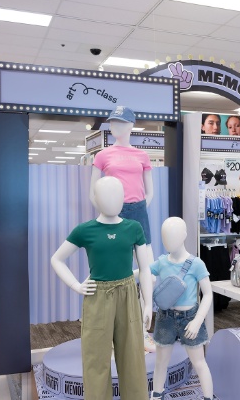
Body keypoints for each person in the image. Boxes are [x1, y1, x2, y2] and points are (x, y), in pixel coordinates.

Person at [51, 176, 153, 400]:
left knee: (133, 359)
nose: (113, 200)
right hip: (97, 297)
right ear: (95, 199)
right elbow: (57, 259)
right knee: (95, 359)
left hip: (128, 296)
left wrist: (148, 304)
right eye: (106, 195)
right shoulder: (85, 230)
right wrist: (76, 285)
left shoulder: (133, 228)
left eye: (117, 195)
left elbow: (145, 269)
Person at [90, 106, 157, 352]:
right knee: (115, 274)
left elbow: (149, 191)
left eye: (120, 122)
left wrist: (138, 207)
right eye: (112, 122)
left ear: (131, 125)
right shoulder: (103, 155)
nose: (115, 127)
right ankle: (111, 336)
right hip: (112, 213)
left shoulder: (142, 155)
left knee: (149, 273)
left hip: (138, 212)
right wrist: (109, 212)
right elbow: (93, 192)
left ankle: (142, 331)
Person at [150, 217, 213, 400]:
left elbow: (208, 294)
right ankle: (156, 395)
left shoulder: (196, 264)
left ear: (184, 235)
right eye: (164, 236)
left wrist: (197, 321)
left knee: (199, 363)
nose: (167, 240)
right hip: (165, 317)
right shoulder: (161, 262)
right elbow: (145, 272)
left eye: (172, 235)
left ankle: (208, 397)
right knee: (160, 362)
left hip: (190, 318)